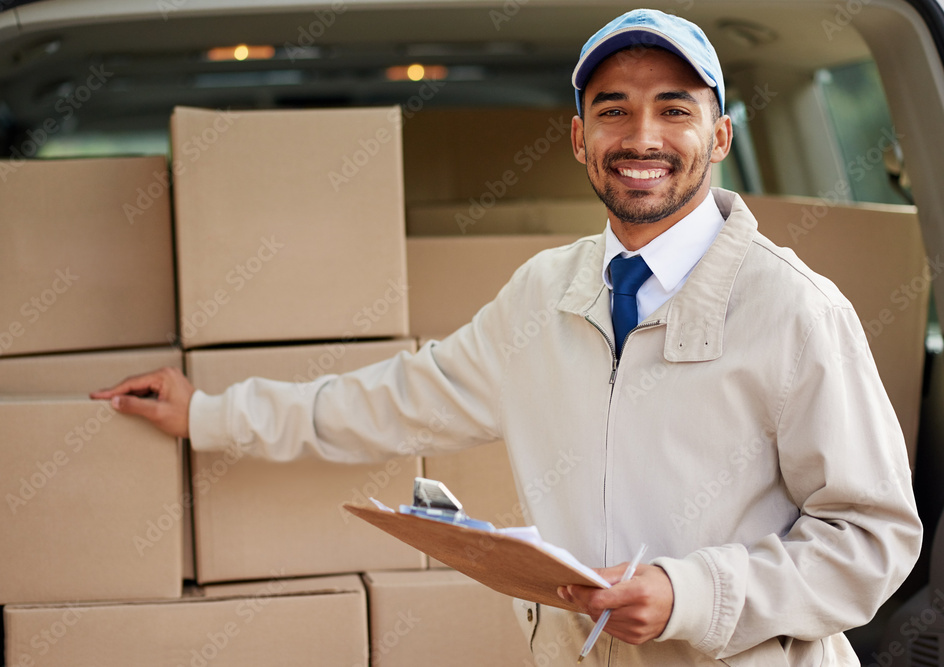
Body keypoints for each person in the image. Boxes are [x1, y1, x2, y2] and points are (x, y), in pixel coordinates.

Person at [93, 8, 922, 665]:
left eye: (675, 109)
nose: (641, 138)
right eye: (613, 111)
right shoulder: (542, 294)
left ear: (719, 135)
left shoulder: (796, 311)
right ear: (578, 139)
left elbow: (875, 540)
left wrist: (690, 593)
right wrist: (209, 415)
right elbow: (390, 401)